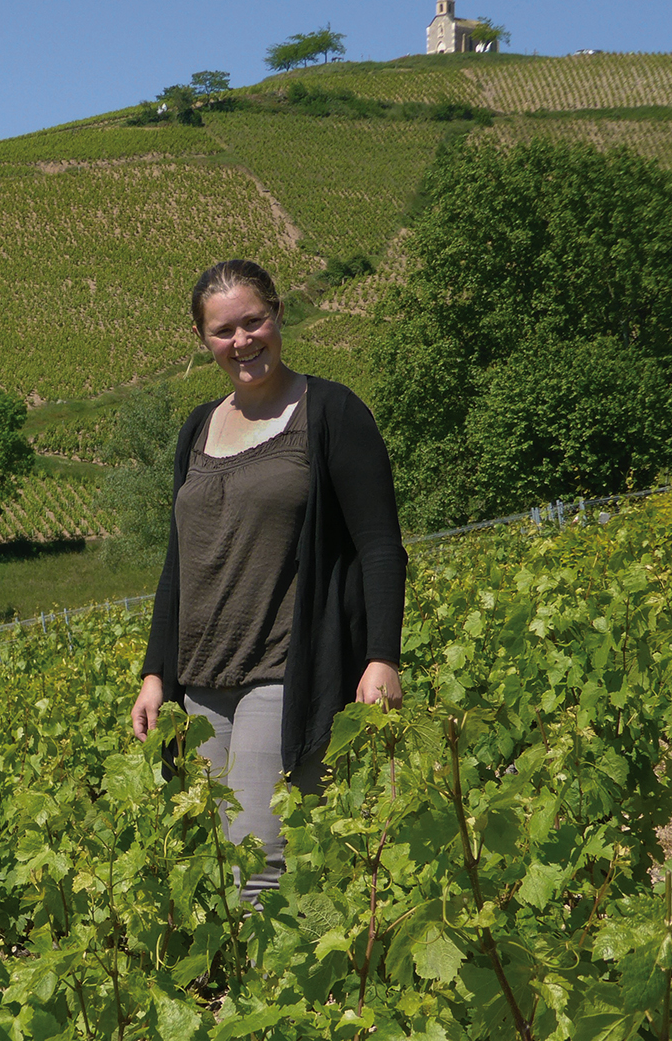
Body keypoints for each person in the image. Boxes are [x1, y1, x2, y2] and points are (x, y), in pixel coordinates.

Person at [131, 259, 405, 900]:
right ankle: (238, 992)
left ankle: (266, 999)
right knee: (211, 868)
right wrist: (154, 673)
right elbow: (179, 560)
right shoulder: (198, 427)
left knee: (259, 862)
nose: (242, 341)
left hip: (283, 671)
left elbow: (380, 546)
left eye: (254, 322)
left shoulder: (330, 412)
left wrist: (381, 657)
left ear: (279, 315)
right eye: (224, 331)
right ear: (204, 340)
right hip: (198, 678)